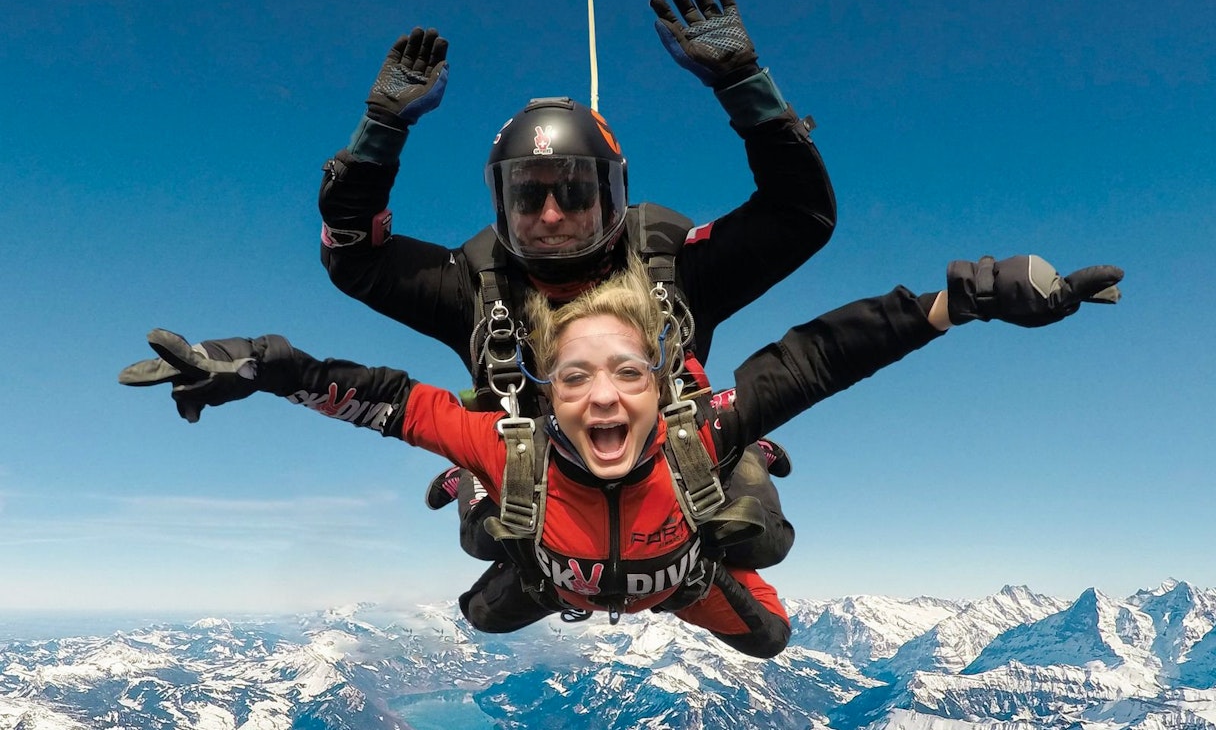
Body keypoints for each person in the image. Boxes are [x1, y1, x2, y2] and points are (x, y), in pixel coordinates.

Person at [119, 253, 1124, 658]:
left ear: (663, 382)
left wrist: (966, 301)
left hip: (680, 576)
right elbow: (377, 396)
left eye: (629, 374)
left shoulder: (703, 430)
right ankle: (496, 523)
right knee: (481, 607)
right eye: (575, 377)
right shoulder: (502, 439)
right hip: (553, 569)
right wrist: (266, 366)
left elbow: (822, 355)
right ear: (544, 390)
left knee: (769, 629)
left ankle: (722, 520)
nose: (603, 395)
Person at [316, 0, 834, 570]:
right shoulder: (476, 285)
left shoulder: (668, 266)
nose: (553, 215)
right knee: (498, 541)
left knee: (756, 536)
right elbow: (354, 256)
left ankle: (742, 447)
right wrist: (380, 130)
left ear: (612, 197)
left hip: (672, 453)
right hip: (533, 465)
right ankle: (472, 475)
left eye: (575, 191)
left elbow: (799, 218)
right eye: (529, 198)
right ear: (501, 207)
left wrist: (745, 85)